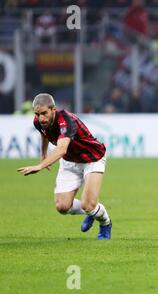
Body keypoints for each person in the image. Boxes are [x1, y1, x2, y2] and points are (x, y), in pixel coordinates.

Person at [17, 93, 112, 240]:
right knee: (62, 206)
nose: (41, 118)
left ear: (53, 109)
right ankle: (92, 210)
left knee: (88, 204)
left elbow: (62, 149)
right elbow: (44, 133)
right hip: (70, 161)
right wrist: (43, 153)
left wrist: (40, 166)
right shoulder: (38, 121)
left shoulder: (66, 121)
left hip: (92, 158)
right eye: (37, 114)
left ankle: (105, 222)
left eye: (44, 113)